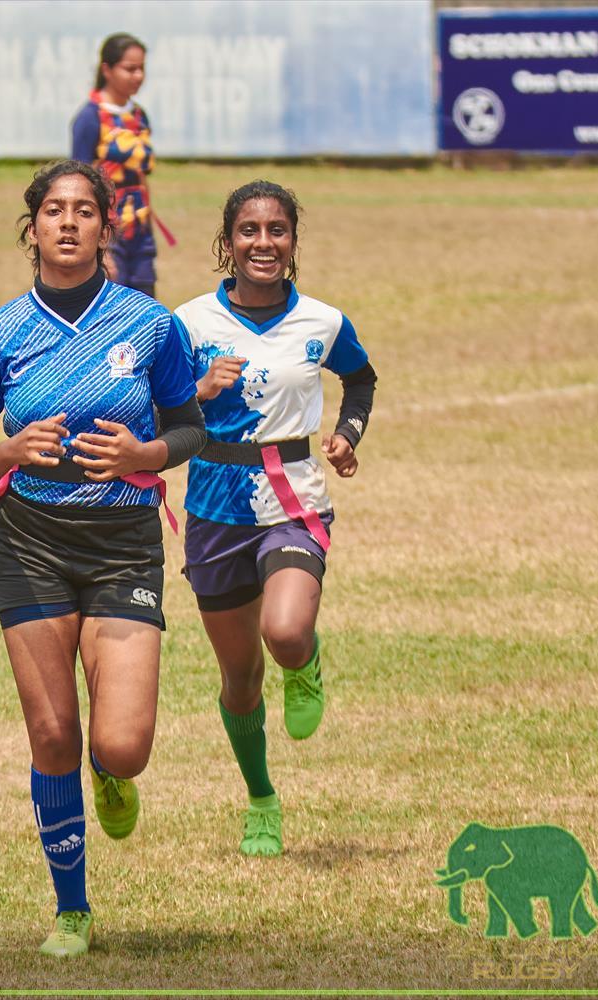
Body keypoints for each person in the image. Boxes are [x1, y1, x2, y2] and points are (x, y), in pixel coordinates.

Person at [0, 160, 205, 957]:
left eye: (83, 211)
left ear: (105, 227)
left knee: (120, 744)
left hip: (123, 540)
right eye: (53, 211)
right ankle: (72, 910)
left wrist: (146, 450)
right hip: (29, 540)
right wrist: (5, 451)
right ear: (32, 230)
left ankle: (112, 775)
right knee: (53, 732)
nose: (67, 223)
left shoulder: (151, 325)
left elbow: (192, 430)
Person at [171, 180, 377, 859]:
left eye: (277, 230)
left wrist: (347, 432)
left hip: (292, 498)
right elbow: (153, 405)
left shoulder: (321, 320)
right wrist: (197, 390)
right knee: (239, 678)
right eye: (249, 231)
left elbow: (361, 377)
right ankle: (261, 796)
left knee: (284, 632)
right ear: (227, 242)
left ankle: (305, 659)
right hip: (213, 506)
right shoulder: (189, 321)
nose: (264, 242)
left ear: (292, 241)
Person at [70, 33, 170, 299]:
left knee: (145, 306)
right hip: (107, 233)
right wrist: (96, 246)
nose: (138, 76)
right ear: (107, 69)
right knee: (111, 305)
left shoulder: (139, 117)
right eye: (130, 68)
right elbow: (78, 185)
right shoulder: (89, 118)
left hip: (139, 232)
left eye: (141, 68)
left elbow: (142, 176)